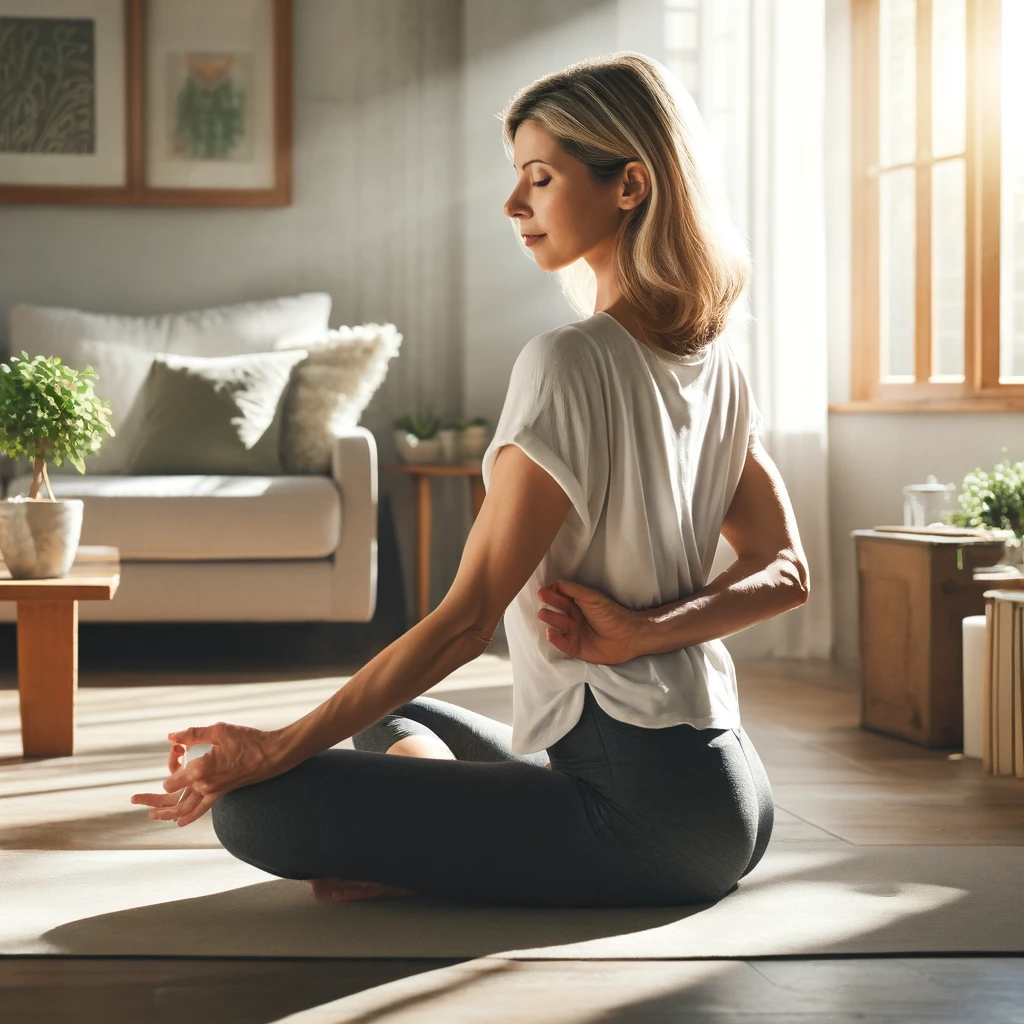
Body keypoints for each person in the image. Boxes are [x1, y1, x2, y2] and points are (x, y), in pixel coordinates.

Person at [130, 52, 809, 909]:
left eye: (540, 177)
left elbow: (464, 625)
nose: (513, 204)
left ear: (629, 184)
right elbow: (786, 571)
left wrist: (272, 750)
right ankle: (431, 841)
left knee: (260, 807)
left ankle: (418, 851)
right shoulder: (716, 361)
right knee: (388, 719)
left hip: (644, 815)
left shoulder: (569, 361)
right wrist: (646, 632)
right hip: (735, 798)